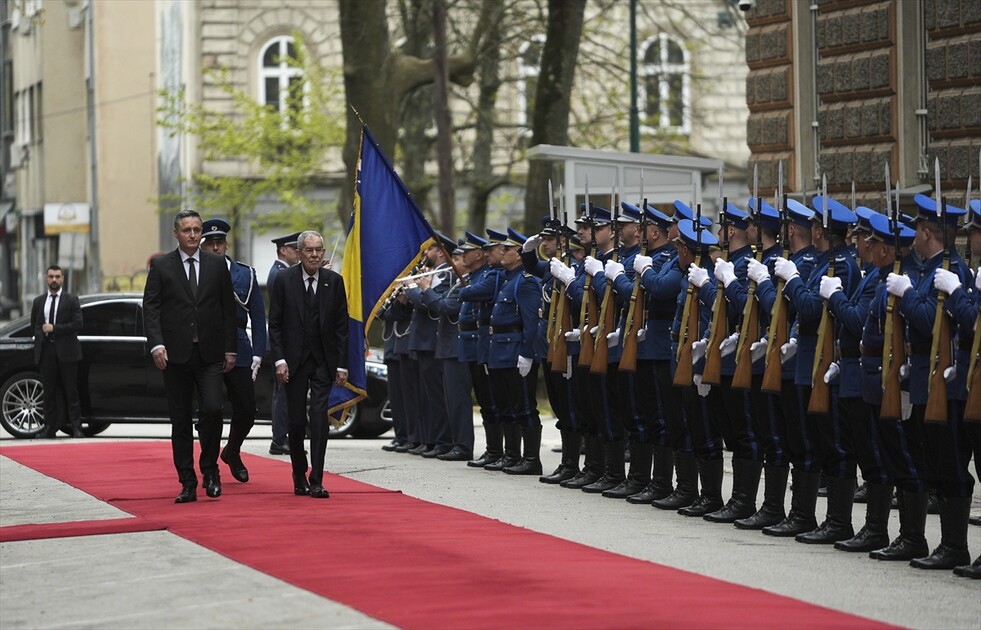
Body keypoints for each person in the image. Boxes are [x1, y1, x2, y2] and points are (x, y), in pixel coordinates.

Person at [144, 209, 237, 503]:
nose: (194, 235)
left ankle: (210, 469)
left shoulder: (216, 263)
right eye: (187, 230)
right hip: (175, 356)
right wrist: (157, 345)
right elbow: (152, 308)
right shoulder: (161, 267)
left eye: (197, 229)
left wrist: (230, 348)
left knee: (212, 409)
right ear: (176, 233)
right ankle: (187, 481)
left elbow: (227, 309)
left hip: (209, 353)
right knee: (180, 420)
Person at [268, 230, 349, 499]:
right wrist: (279, 359)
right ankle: (298, 474)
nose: (315, 255)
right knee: (295, 420)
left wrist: (341, 364)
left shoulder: (334, 282)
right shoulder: (283, 280)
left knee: (319, 419)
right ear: (299, 253)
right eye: (309, 250)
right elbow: (276, 324)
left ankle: (317, 479)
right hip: (293, 362)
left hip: (323, 362)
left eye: (319, 250)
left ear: (323, 253)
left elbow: (341, 327)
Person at [200, 219, 267, 484]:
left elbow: (258, 317)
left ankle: (232, 450)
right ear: (203, 246)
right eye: (211, 244)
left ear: (226, 244)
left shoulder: (244, 274)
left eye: (220, 243)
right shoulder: (196, 273)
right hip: (207, 346)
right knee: (210, 410)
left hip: (238, 346)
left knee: (248, 409)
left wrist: (259, 354)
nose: (216, 248)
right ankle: (209, 467)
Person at [31, 265, 83, 439]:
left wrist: (55, 328)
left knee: (71, 391)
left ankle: (76, 427)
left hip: (67, 351)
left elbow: (77, 324)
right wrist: (41, 334)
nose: (54, 280)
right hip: (46, 351)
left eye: (57, 277)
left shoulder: (71, 300)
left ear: (62, 279)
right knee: (49, 393)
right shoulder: (39, 301)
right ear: (46, 278)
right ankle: (49, 428)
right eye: (51, 276)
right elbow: (35, 325)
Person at [267, 231, 301, 455]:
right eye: (294, 249)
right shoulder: (280, 274)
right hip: (285, 341)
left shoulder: (284, 272)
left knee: (284, 392)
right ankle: (279, 438)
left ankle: (281, 436)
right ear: (283, 251)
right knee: (283, 392)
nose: (298, 253)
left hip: (288, 341)